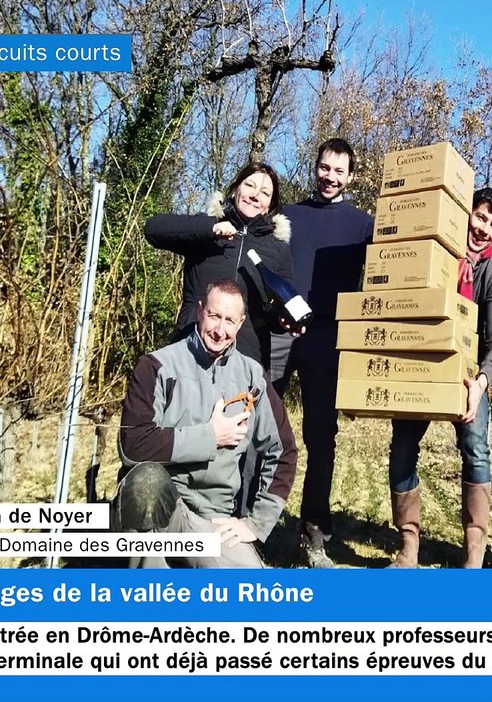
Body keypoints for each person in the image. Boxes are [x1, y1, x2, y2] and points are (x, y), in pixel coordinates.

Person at [114, 279, 298, 568]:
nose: (219, 330)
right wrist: (209, 437)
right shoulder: (156, 367)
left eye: (229, 320)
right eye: (213, 316)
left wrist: (256, 523)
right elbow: (133, 444)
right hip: (162, 508)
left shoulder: (253, 377)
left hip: (213, 518)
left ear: (240, 324)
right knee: (146, 482)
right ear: (200, 311)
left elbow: (284, 451)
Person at [385, 188, 492, 568]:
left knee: (476, 451)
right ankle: (408, 546)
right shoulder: (434, 252)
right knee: (403, 448)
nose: (485, 230)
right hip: (421, 365)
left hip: (468, 375)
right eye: (480, 218)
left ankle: (473, 556)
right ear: (465, 214)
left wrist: (480, 384)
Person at [273, 138, 374, 568]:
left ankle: (313, 534)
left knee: (321, 439)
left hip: (328, 340)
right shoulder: (287, 216)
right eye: (324, 168)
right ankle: (248, 525)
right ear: (314, 167)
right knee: (259, 430)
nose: (330, 177)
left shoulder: (363, 225)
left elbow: (404, 256)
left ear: (351, 176)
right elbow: (262, 264)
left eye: (339, 171)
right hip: (279, 336)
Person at [144, 162, 293, 370]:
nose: (255, 195)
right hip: (191, 350)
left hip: (246, 362)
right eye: (249, 185)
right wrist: (210, 229)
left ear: (270, 205)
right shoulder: (207, 228)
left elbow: (277, 312)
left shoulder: (278, 249)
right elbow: (153, 229)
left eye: (265, 193)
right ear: (235, 189)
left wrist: (283, 320)